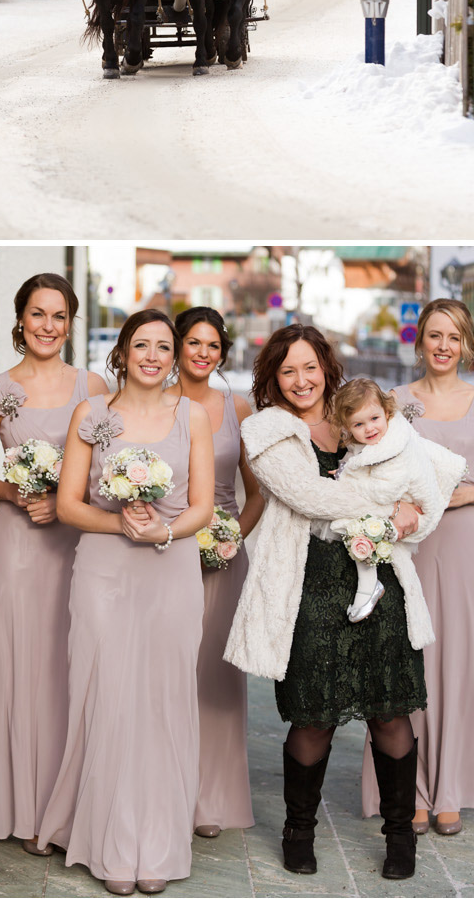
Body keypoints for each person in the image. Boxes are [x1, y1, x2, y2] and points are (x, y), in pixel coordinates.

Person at [224, 325, 445, 882]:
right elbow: (313, 497)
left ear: (326, 366)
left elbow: (425, 484)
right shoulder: (266, 432)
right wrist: (388, 504)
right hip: (309, 588)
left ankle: (400, 836)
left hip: (379, 584)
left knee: (391, 710)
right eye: (287, 370)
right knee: (313, 717)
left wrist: (410, 510)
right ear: (273, 377)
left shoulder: (363, 418)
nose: (301, 380)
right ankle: (298, 830)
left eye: (309, 367)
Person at [38, 310, 215, 896]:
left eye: (164, 347)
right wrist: (123, 526)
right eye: (143, 344)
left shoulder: (192, 416)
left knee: (162, 701)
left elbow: (202, 508)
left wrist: (162, 534)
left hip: (171, 573)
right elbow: (68, 505)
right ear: (122, 351)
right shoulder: (91, 416)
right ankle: (111, 843)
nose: (154, 356)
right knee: (107, 694)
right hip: (105, 573)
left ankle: (158, 843)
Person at [360, 299, 474, 836]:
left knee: (464, 659)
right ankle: (413, 790)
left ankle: (451, 784)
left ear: (467, 343)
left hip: (468, 543)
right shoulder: (396, 403)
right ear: (420, 341)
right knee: (413, 659)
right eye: (434, 335)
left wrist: (451, 499)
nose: (443, 346)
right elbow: (371, 469)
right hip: (411, 545)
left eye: (453, 336)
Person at [0, 274, 108, 854]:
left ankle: (72, 804)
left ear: (71, 323)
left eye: (58, 315)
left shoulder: (93, 385)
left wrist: (65, 501)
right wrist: (19, 494)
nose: (47, 325)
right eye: (37, 313)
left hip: (78, 541)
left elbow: (110, 469)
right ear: (20, 320)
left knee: (73, 663)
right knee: (23, 664)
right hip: (19, 541)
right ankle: (24, 808)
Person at [167, 307, 263, 839]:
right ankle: (169, 787)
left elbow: (258, 493)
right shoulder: (158, 399)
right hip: (167, 550)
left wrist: (232, 539)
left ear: (222, 353)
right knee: (169, 670)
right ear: (177, 345)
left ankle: (210, 798)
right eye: (193, 342)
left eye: (213, 345)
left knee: (214, 676)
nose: (203, 353)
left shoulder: (238, 408)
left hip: (223, 556)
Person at [316, 378, 466, 628]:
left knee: (356, 529)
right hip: (400, 504)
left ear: (387, 412)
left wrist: (346, 480)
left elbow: (384, 491)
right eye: (359, 424)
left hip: (416, 513)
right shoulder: (382, 439)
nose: (369, 429)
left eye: (374, 419)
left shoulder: (395, 447)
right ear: (347, 427)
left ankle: (368, 585)